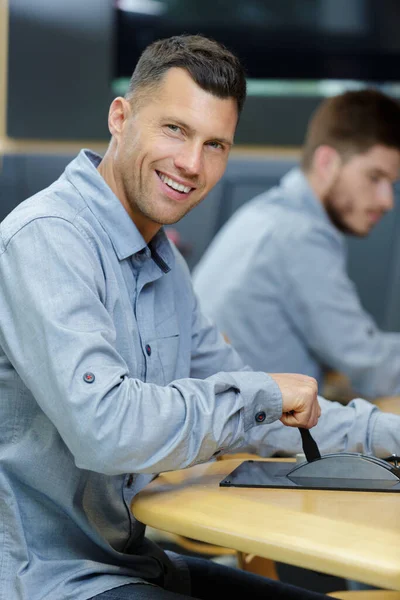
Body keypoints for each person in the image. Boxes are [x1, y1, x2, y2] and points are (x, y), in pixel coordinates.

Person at [0, 35, 398, 600]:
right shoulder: (47, 239)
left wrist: (387, 434)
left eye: (215, 144)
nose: (191, 164)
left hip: (136, 563)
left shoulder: (164, 264)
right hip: (48, 580)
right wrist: (257, 395)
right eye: (175, 130)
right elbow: (107, 430)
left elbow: (270, 411)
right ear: (121, 116)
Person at [193, 89, 400, 400]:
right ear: (327, 162)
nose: (387, 201)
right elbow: (371, 365)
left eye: (392, 184)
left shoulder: (269, 214)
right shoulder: (299, 235)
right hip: (254, 438)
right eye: (375, 177)